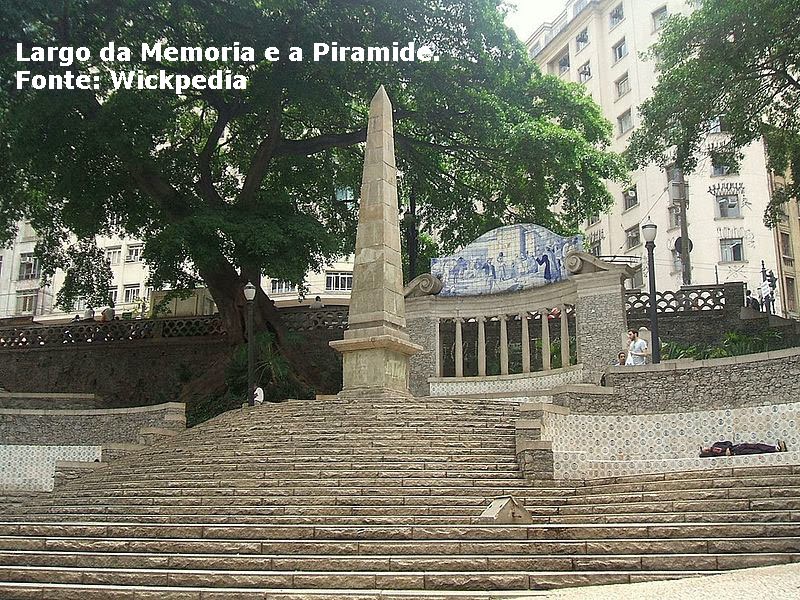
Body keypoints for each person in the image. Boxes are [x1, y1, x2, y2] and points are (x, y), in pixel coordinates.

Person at [700, 440, 786, 457]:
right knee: (755, 451)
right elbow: (701, 456)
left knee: (756, 445)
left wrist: (728, 448)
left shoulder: (716, 444)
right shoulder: (713, 454)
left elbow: (728, 442)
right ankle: (775, 450)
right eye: (705, 450)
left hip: (738, 447)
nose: (707, 449)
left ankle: (776, 448)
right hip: (737, 453)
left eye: (705, 448)